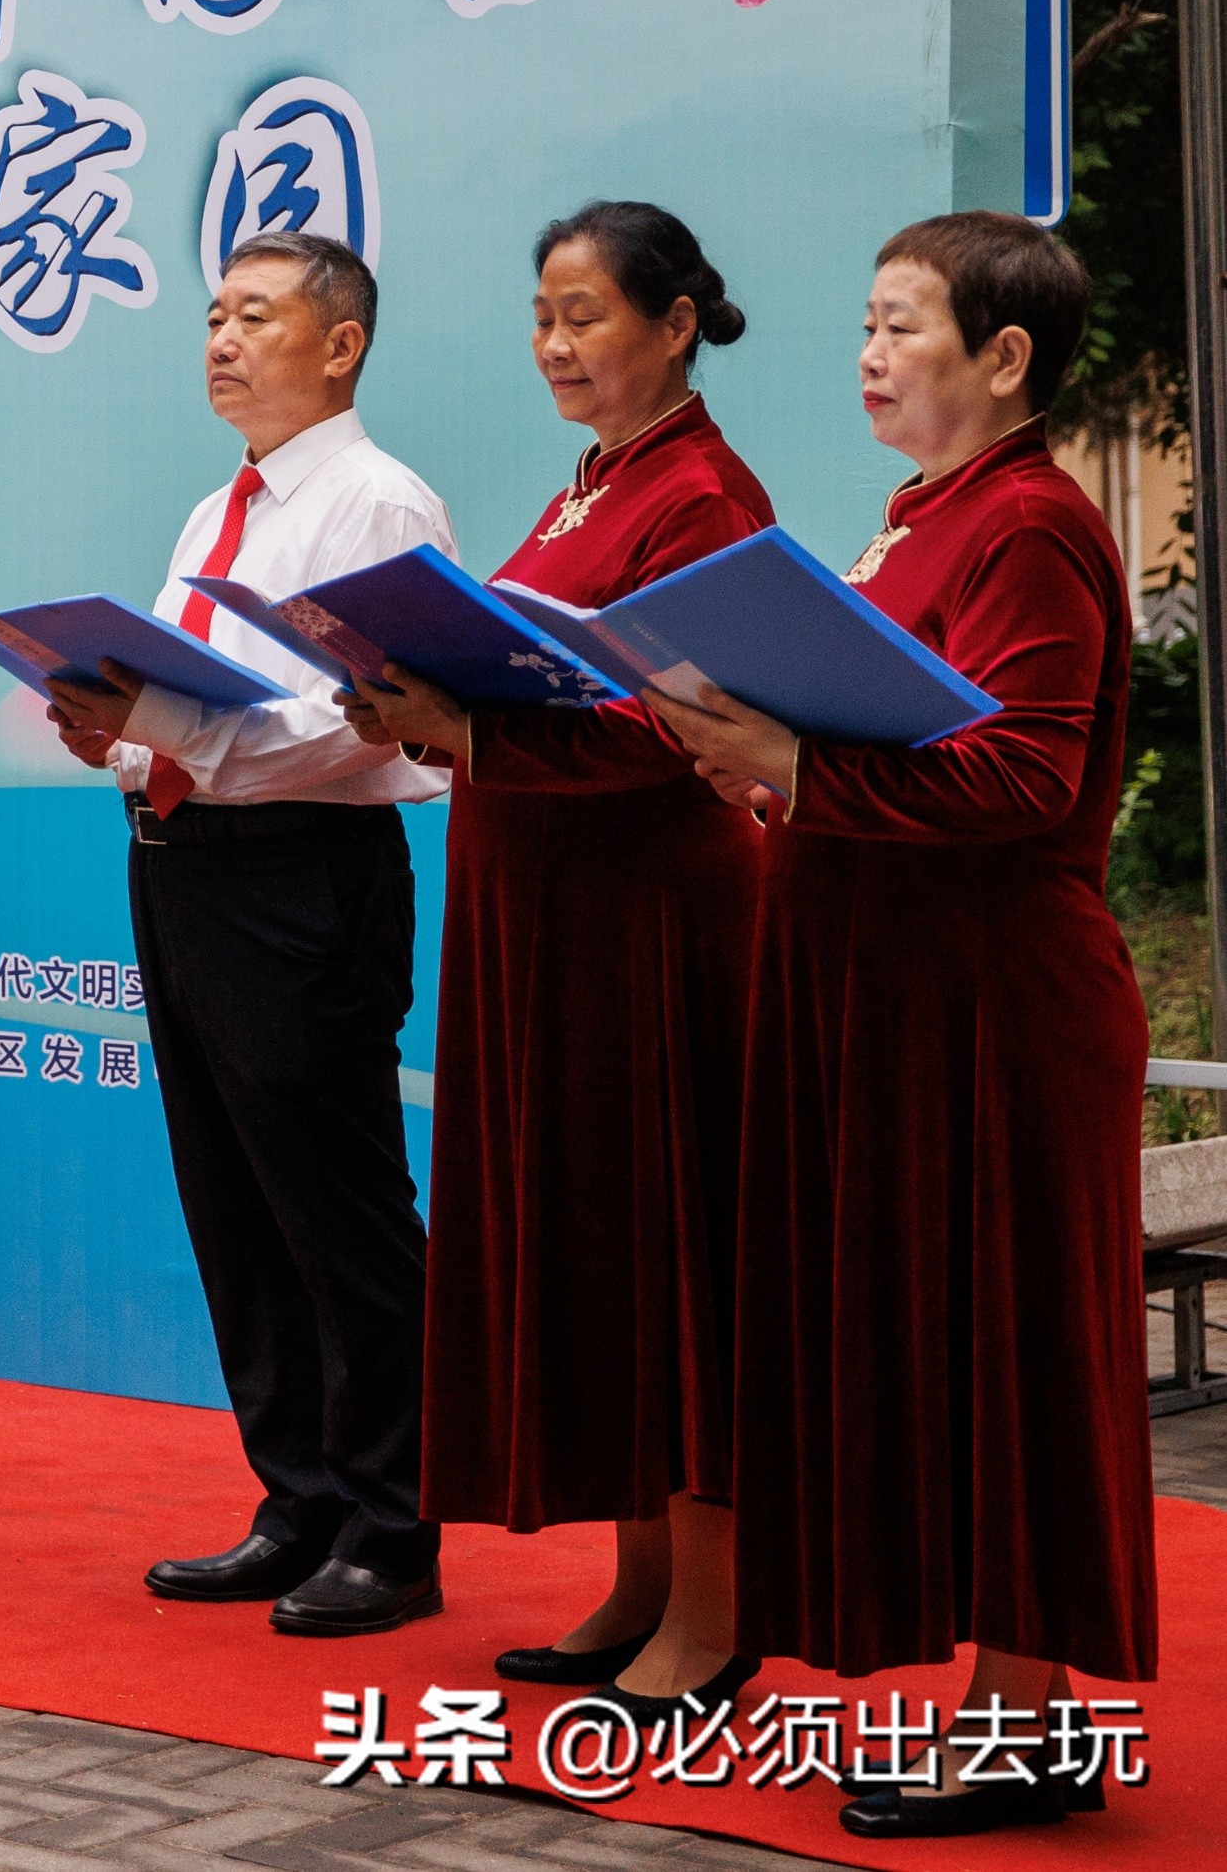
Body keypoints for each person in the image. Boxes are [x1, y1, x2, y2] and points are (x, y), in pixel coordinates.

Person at [652, 213, 1155, 1834]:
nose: (869, 353)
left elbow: (1022, 776)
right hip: (892, 997)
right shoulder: (921, 516)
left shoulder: (1030, 526)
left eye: (902, 324)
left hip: (995, 1007)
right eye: (862, 323)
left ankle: (1024, 1721)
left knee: (1007, 1352)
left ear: (1003, 358)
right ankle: (1012, 1706)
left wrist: (801, 767)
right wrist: (753, 751)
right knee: (940, 1350)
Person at [344, 205, 771, 1710]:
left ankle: (713, 1612)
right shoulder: (594, 487)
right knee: (592, 1244)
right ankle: (637, 1579)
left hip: (653, 924)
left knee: (672, 1252)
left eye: (585, 314)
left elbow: (677, 722)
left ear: (670, 322)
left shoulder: (701, 496)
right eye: (542, 313)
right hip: (547, 917)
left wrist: (465, 726)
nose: (554, 343)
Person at [43, 232, 452, 1637]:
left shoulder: (375, 502)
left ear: (338, 343)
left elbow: (356, 725)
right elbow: (193, 713)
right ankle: (295, 1497)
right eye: (211, 311)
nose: (218, 336)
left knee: (334, 1203)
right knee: (232, 1197)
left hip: (303, 876)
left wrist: (161, 724)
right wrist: (112, 721)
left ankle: (393, 1523)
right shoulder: (219, 510)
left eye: (254, 314)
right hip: (183, 868)